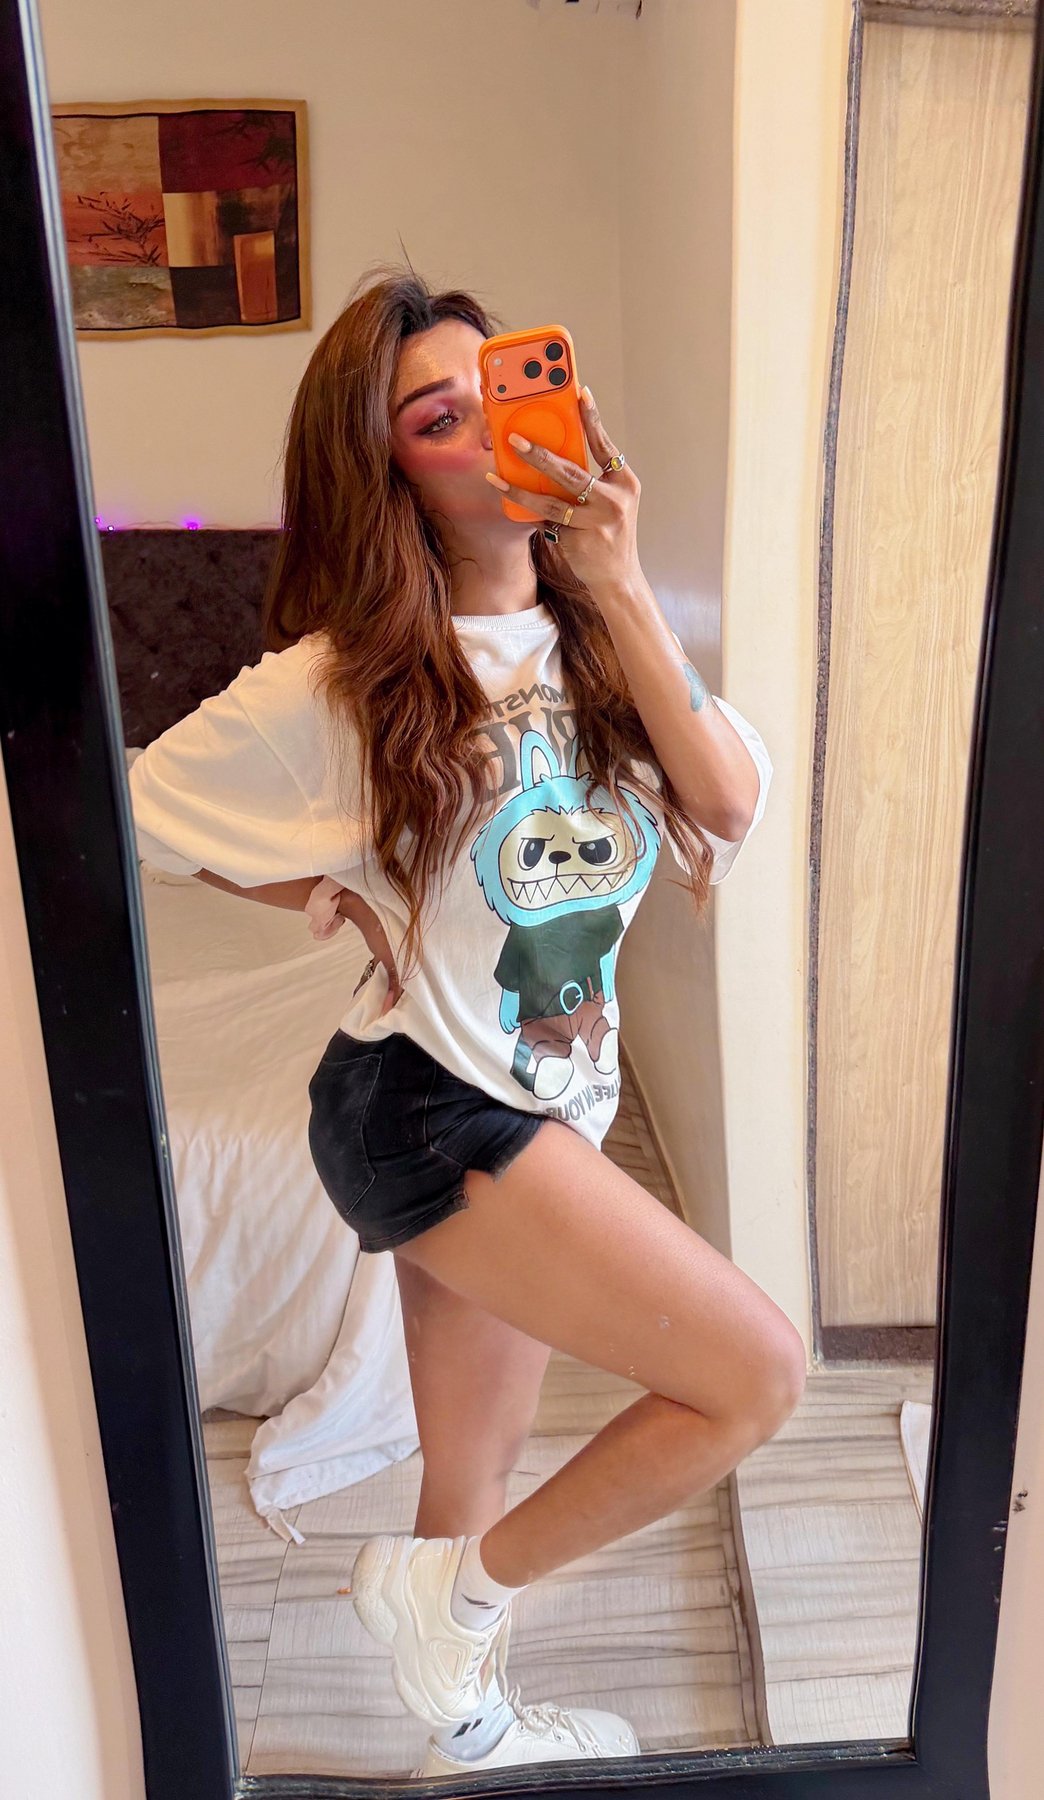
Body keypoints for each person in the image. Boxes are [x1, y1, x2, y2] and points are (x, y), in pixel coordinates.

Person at [128, 265, 806, 1777]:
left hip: (543, 1096)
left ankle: (470, 1730)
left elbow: (725, 801)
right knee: (755, 1374)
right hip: (425, 1102)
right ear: (392, 479)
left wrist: (619, 577)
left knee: (471, 1474)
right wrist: (319, 890)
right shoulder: (343, 683)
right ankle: (454, 1598)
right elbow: (127, 810)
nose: (492, 433)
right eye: (439, 419)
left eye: (502, 390)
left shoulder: (604, 637)